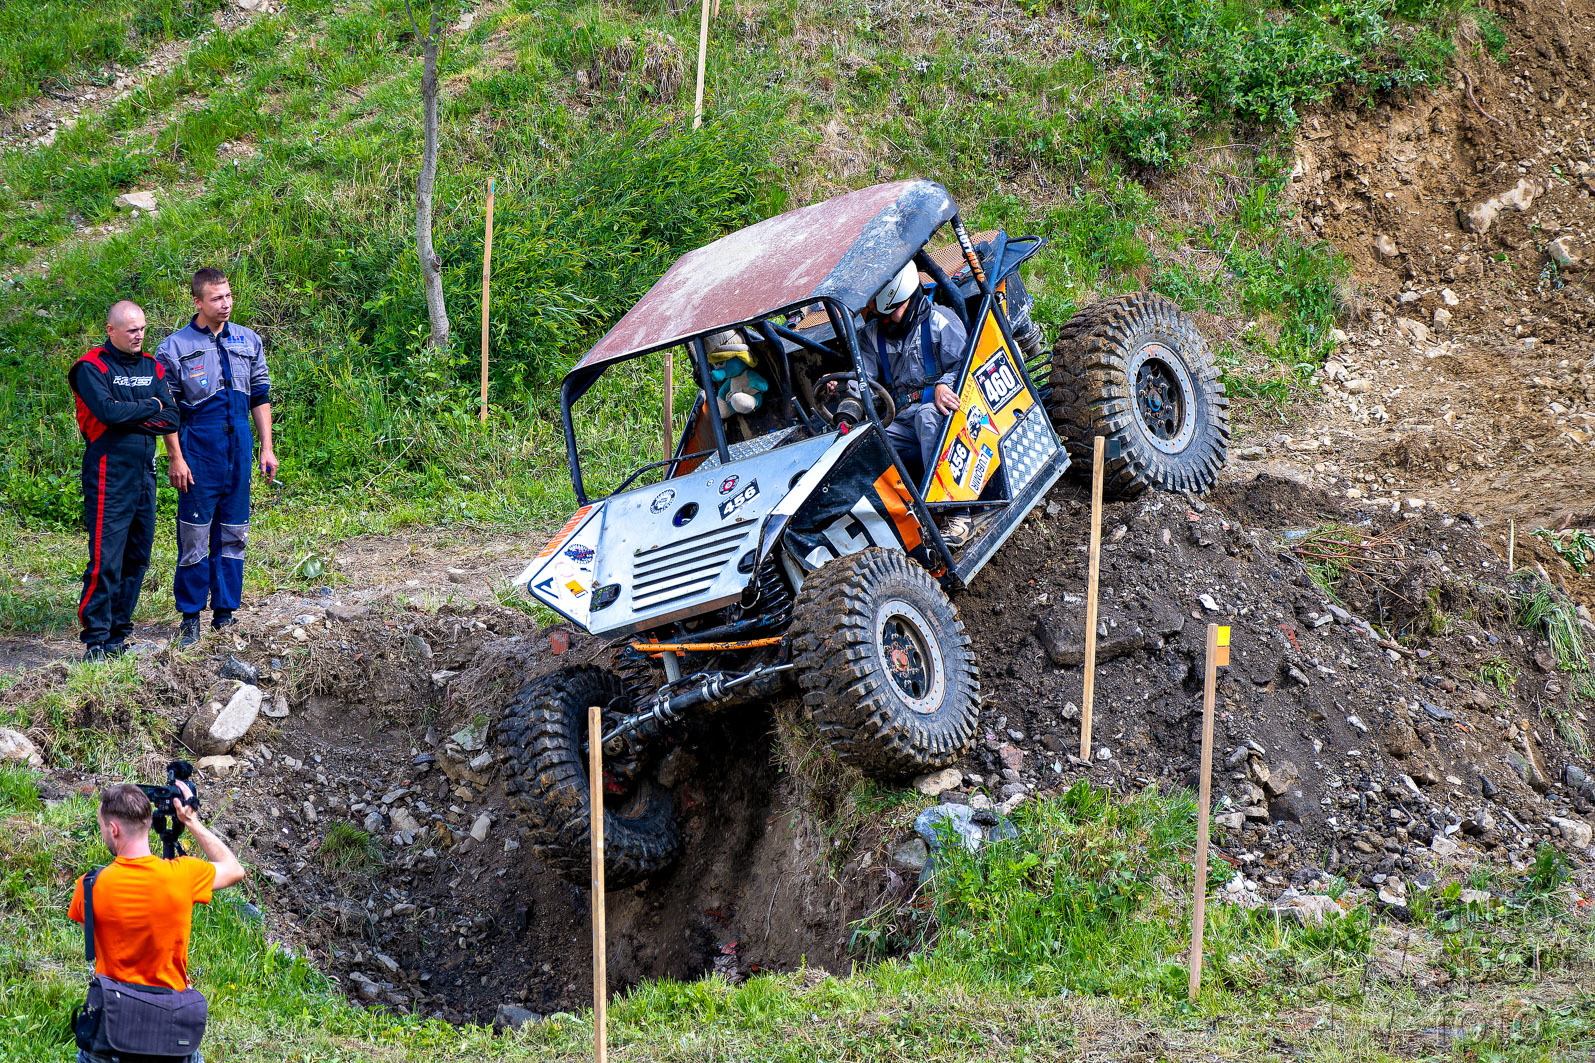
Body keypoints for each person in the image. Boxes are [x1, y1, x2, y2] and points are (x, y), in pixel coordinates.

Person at [68, 782, 245, 1063]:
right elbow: (234, 869)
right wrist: (191, 820)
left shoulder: (88, 886)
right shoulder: (184, 875)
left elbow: (96, 944)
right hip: (171, 1031)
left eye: (102, 826)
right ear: (149, 823)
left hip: (112, 1031)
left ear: (113, 829)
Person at [155, 268, 277, 648]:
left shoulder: (249, 340)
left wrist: (266, 447)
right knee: (194, 535)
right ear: (197, 302)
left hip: (238, 447)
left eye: (228, 296)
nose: (225, 304)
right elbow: (167, 410)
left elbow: (260, 396)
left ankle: (225, 615)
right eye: (216, 298)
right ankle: (190, 618)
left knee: (234, 532)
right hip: (198, 449)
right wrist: (176, 458)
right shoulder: (173, 348)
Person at [68, 301, 179, 661]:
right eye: (132, 330)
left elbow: (173, 418)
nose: (139, 335)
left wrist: (132, 413)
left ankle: (118, 635)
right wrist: (152, 406)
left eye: (143, 328)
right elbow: (108, 413)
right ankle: (96, 640)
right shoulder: (91, 367)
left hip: (144, 472)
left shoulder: (152, 366)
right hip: (107, 471)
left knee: (137, 557)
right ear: (111, 330)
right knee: (106, 559)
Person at [855, 261, 973, 542]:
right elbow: (863, 379)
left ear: (907, 298)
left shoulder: (940, 322)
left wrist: (946, 383)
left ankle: (956, 513)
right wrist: (844, 390)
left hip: (945, 413)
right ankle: (897, 523)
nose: (886, 319)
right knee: (866, 441)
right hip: (900, 417)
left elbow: (968, 364)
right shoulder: (872, 335)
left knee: (927, 416)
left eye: (891, 311)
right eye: (881, 313)